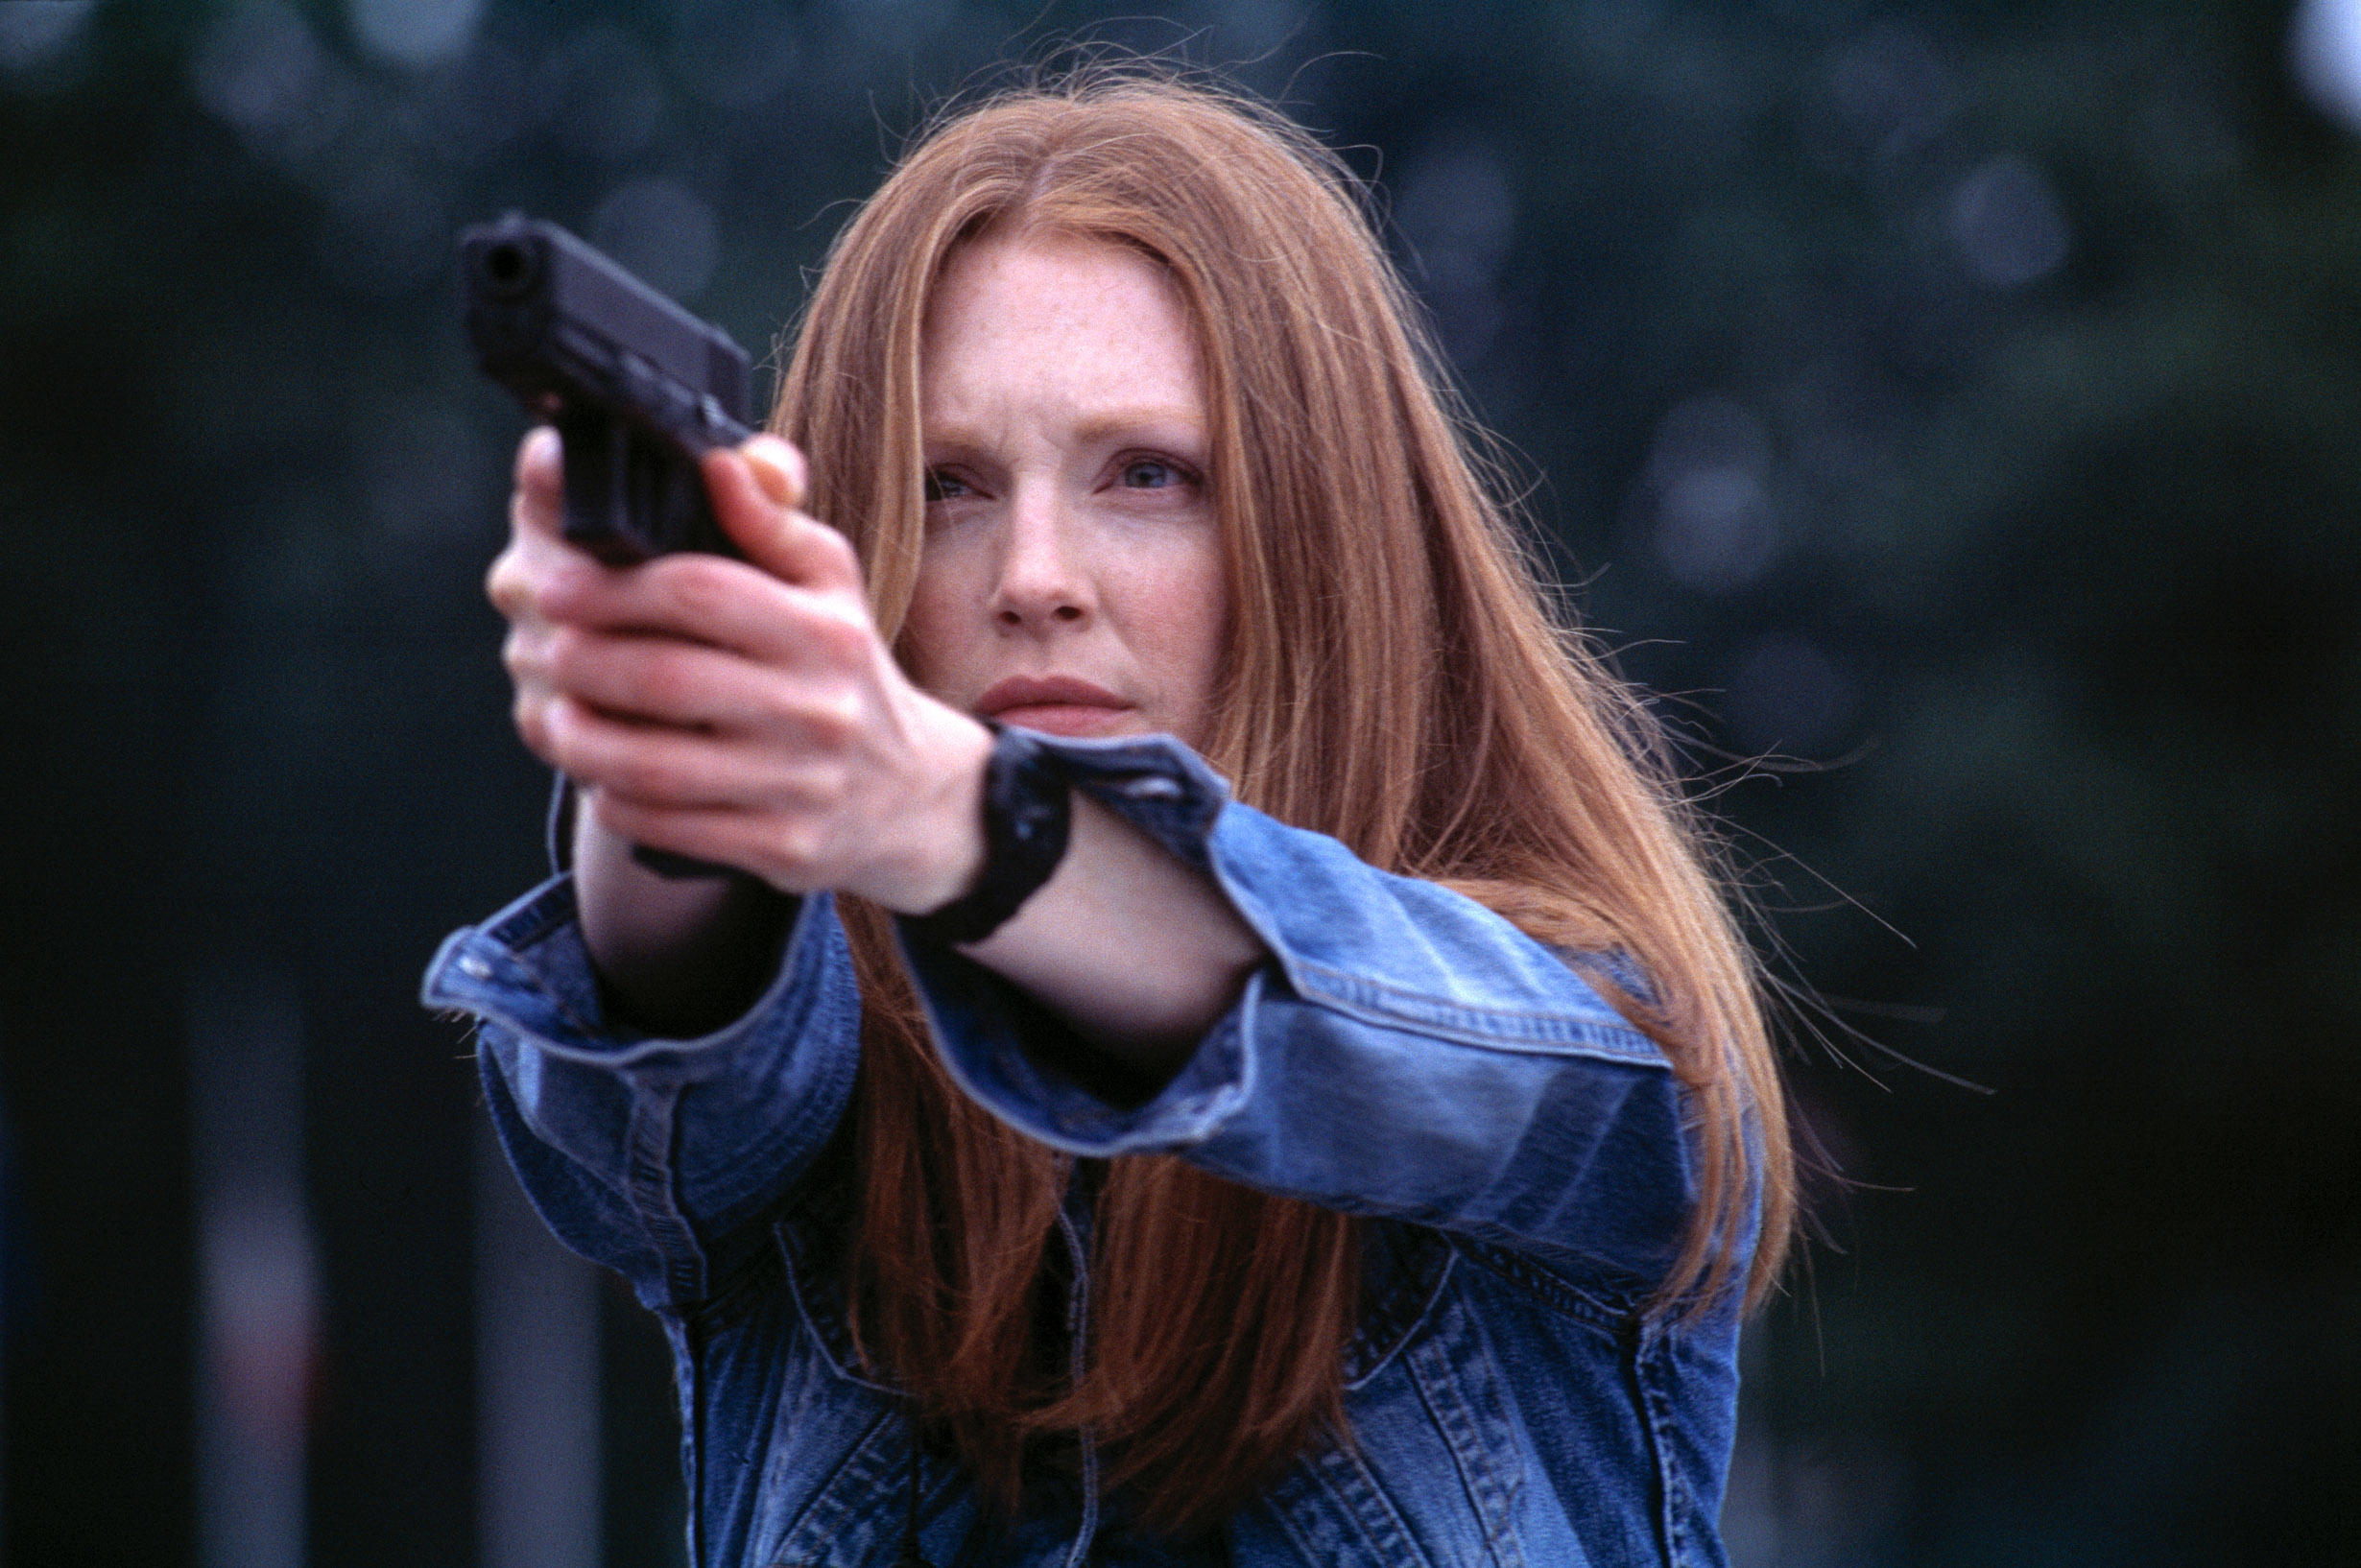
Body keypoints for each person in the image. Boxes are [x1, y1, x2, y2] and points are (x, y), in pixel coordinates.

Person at [424, 69, 1794, 1568]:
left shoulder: (1600, 1036)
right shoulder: (824, 1066)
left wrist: (934, 808)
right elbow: (667, 1081)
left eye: (1147, 475)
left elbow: (1363, 1028)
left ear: (1320, 532)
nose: (1033, 574)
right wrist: (674, 759)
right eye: (948, 485)